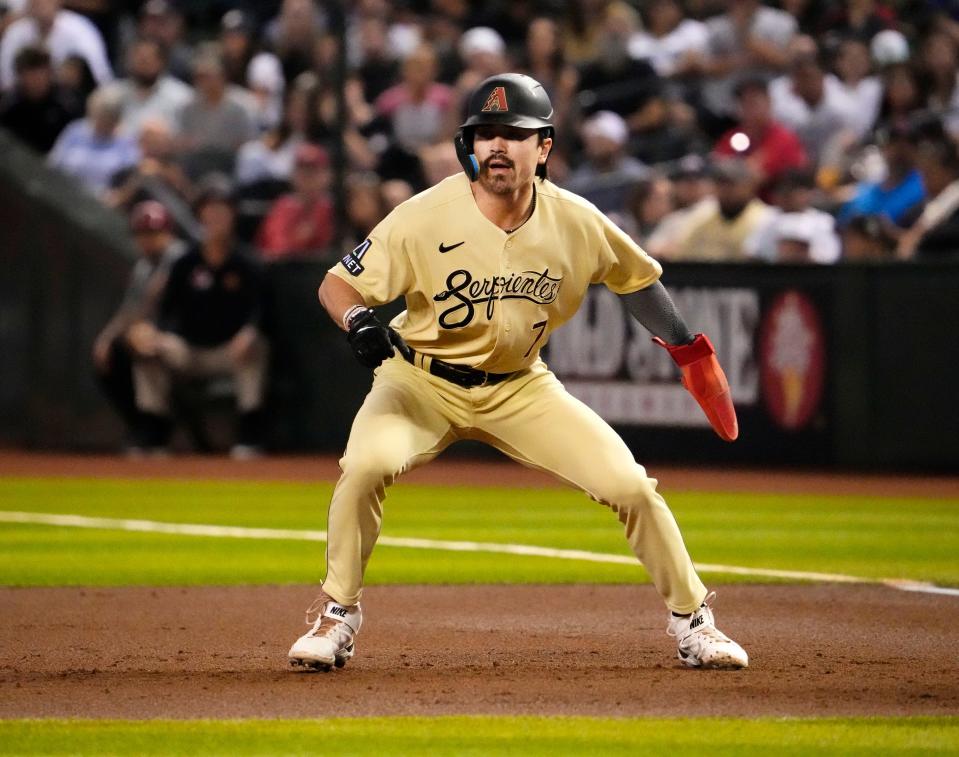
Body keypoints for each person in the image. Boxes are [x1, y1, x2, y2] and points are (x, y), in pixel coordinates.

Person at [288, 73, 749, 673]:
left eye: (514, 134)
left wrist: (689, 350)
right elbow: (336, 283)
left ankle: (694, 622)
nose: (497, 147)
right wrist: (358, 319)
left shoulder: (577, 220)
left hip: (520, 386)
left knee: (631, 487)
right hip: (417, 381)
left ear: (545, 147)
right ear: (469, 145)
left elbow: (636, 280)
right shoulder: (424, 215)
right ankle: (337, 614)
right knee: (365, 467)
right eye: (485, 134)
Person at [129, 178, 270, 456]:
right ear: (200, 215)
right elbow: (166, 310)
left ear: (233, 215)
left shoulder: (248, 262)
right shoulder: (185, 262)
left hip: (229, 351)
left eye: (222, 210)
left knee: (256, 347)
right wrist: (152, 333)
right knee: (148, 349)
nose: (216, 217)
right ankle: (153, 433)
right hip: (188, 350)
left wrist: (250, 331)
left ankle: (250, 434)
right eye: (210, 210)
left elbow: (263, 311)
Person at [92, 200, 186, 449]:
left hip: (181, 336)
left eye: (154, 233)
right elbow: (128, 310)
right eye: (142, 234)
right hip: (149, 335)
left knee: (145, 348)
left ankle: (155, 427)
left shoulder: (181, 258)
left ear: (168, 232)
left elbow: (156, 301)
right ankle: (143, 425)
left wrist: (142, 329)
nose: (148, 239)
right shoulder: (143, 267)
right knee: (110, 357)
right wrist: (106, 338)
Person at [255, 142, 335, 260]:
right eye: (303, 171)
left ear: (327, 176)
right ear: (294, 175)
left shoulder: (333, 208)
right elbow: (276, 249)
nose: (308, 178)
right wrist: (298, 240)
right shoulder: (283, 207)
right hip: (286, 273)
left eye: (314, 172)